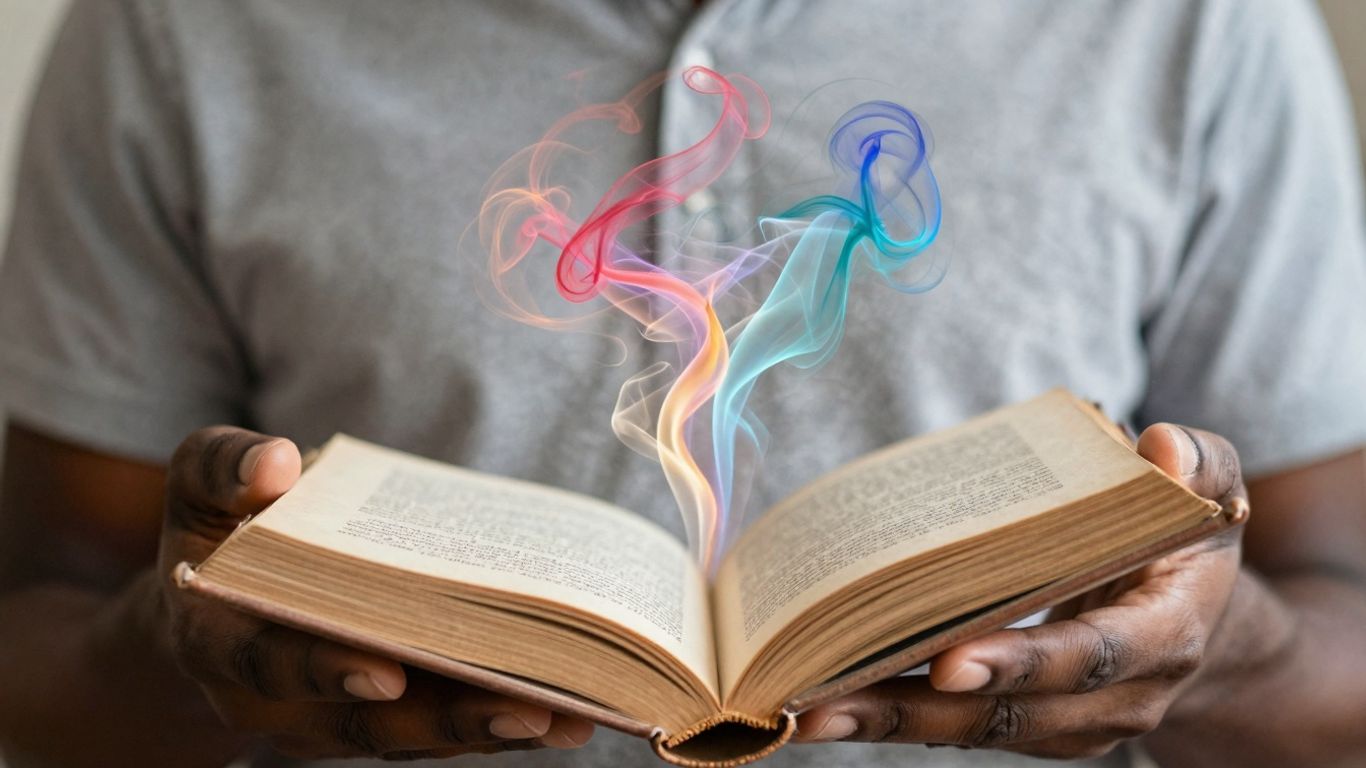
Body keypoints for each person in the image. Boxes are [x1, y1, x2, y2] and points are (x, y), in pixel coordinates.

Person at [1, 1, 1364, 767]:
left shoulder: (1197, 27)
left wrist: (1222, 654)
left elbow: (1335, 646)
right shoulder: (175, 29)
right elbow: (43, 648)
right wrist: (179, 648)